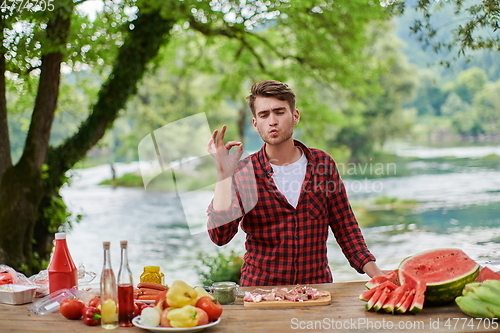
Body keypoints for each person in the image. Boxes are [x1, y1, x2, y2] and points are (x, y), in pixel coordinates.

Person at [206, 80, 384, 287]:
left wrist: (376, 273)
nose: (272, 121)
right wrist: (223, 175)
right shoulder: (243, 172)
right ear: (255, 124)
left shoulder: (322, 164)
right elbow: (220, 236)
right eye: (264, 115)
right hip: (260, 293)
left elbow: (345, 227)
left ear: (295, 116)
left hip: (316, 290)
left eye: (279, 112)